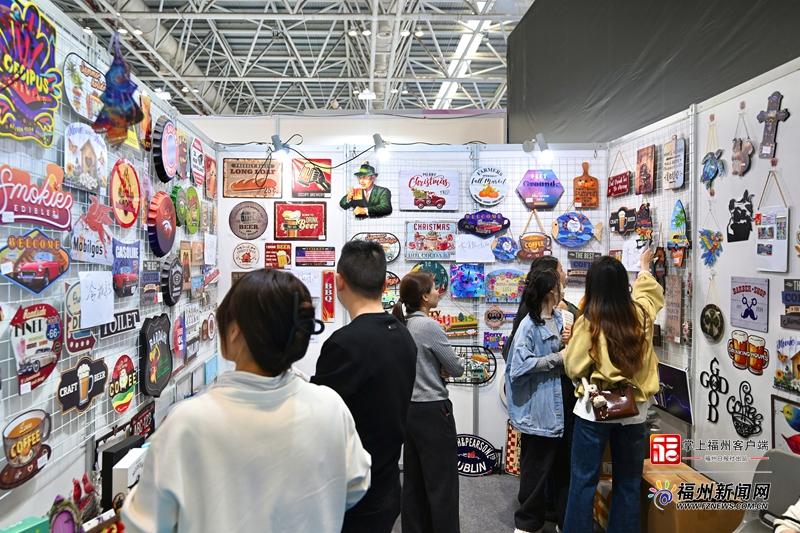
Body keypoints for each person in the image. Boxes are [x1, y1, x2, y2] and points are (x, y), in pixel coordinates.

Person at [122, 269, 371, 533]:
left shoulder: (188, 423)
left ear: (234, 332)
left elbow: (142, 525)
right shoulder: (329, 406)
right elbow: (357, 483)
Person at [312, 241, 417, 532]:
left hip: (351, 492)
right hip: (386, 484)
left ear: (339, 281)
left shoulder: (344, 344)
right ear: (385, 284)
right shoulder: (403, 335)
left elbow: (318, 419)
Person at [563, 249, 663, 533]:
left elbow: (573, 366)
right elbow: (649, 294)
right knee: (628, 483)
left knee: (583, 481)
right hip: (634, 411)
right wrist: (644, 266)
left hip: (595, 410)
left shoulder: (589, 321)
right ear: (623, 285)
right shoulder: (641, 316)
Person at [392, 271, 464, 533]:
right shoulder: (429, 327)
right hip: (433, 409)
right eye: (434, 289)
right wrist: (442, 368)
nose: (438, 292)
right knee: (442, 482)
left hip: (409, 410)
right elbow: (456, 368)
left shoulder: (402, 325)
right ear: (424, 297)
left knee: (414, 480)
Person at [506, 269, 573, 533]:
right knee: (535, 468)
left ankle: (562, 520)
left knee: (563, 468)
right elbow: (519, 367)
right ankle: (526, 524)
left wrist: (568, 343)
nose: (563, 288)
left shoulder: (560, 318)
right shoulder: (529, 325)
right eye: (559, 285)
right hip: (540, 408)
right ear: (551, 291)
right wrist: (558, 358)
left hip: (563, 404)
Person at [503, 256, 579, 362]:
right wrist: (559, 356)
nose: (564, 274)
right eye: (561, 270)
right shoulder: (538, 313)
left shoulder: (549, 309)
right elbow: (522, 363)